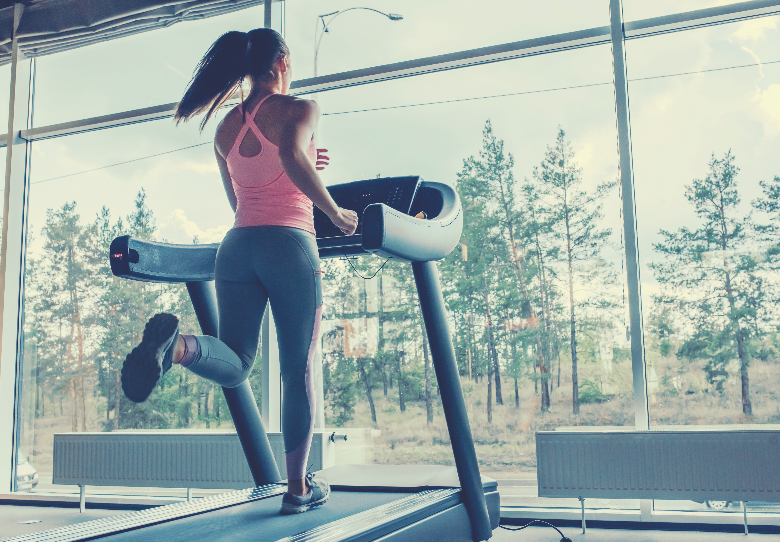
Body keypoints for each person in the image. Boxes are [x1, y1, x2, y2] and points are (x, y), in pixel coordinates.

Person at [120, 28, 358, 515]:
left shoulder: (226, 127)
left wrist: (308, 163)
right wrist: (336, 213)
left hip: (238, 247)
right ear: (284, 62)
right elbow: (290, 157)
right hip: (290, 246)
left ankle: (180, 348)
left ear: (246, 69)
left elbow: (242, 196)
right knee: (296, 372)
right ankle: (297, 490)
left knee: (238, 361)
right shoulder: (302, 109)